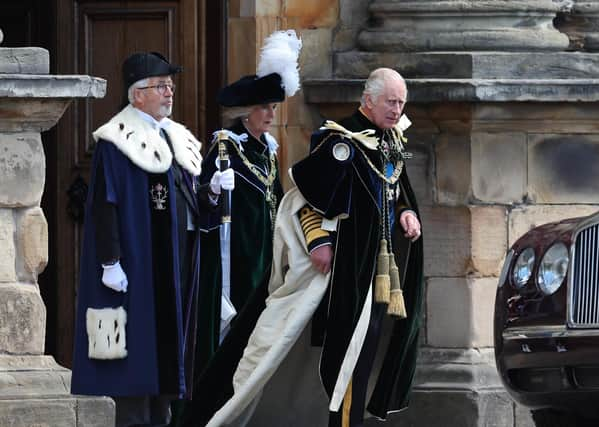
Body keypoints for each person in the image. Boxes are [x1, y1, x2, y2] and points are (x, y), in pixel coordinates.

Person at [206, 67, 424, 427]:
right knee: (346, 356)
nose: (397, 109)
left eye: (401, 102)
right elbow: (308, 200)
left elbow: (394, 190)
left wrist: (406, 212)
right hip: (343, 272)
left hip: (378, 270)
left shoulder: (391, 141)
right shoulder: (339, 139)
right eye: (390, 101)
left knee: (366, 353)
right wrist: (319, 241)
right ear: (368, 100)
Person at [70, 51, 233, 427]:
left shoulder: (173, 137)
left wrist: (210, 192)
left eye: (171, 86)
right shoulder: (116, 141)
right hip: (139, 266)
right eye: (161, 86)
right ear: (136, 94)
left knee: (167, 361)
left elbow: (187, 202)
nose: (169, 93)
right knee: (138, 362)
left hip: (175, 264)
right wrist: (110, 262)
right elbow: (104, 205)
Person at [169, 30, 302, 427]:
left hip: (263, 258)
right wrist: (211, 191)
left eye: (274, 107)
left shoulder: (268, 152)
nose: (270, 115)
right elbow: (202, 207)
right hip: (232, 261)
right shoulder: (226, 148)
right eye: (264, 107)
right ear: (246, 111)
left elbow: (277, 203)